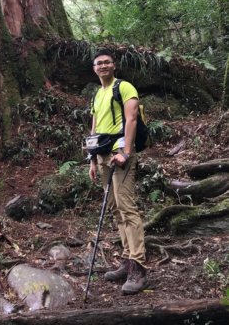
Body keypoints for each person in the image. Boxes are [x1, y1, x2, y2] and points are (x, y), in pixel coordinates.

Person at [88, 49, 147, 294]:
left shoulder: (124, 87)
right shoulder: (97, 94)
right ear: (94, 68)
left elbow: (131, 119)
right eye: (99, 63)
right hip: (101, 154)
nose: (103, 66)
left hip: (119, 154)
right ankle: (126, 258)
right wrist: (92, 159)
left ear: (114, 66)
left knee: (126, 207)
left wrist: (125, 151)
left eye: (107, 62)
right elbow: (94, 126)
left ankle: (138, 266)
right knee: (113, 207)